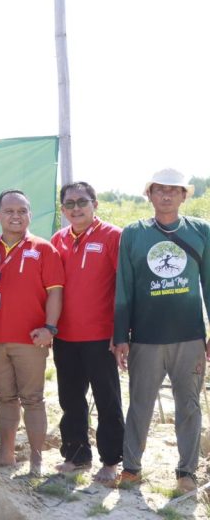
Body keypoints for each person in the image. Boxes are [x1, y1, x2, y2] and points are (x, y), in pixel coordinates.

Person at [114, 168, 210, 493]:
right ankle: (131, 468)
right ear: (149, 194)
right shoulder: (134, 233)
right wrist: (119, 337)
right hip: (145, 337)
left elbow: (209, 285)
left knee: (189, 405)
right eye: (159, 189)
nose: (166, 195)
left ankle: (187, 472)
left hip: (190, 336)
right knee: (139, 404)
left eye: (174, 190)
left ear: (184, 195)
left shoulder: (201, 231)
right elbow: (124, 288)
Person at [0, 189, 64, 476]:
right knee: (4, 397)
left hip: (31, 340)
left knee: (33, 399)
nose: (16, 216)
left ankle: (37, 460)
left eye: (22, 211)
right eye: (9, 211)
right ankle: (6, 454)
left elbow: (55, 293)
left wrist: (49, 328)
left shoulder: (43, 249)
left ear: (29, 214)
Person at [49, 182, 124, 484]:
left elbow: (124, 287)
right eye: (69, 203)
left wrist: (120, 332)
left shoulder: (113, 236)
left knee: (107, 400)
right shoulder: (58, 239)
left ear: (95, 204)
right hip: (65, 336)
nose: (76, 208)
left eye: (82, 202)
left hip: (100, 336)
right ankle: (77, 455)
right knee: (70, 399)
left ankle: (111, 460)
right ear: (63, 208)